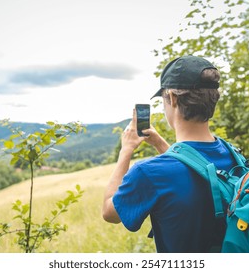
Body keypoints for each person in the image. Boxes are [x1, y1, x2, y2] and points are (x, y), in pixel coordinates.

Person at [102, 55, 238, 253]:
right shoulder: (233, 154)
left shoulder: (149, 173)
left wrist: (126, 150)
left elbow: (109, 212)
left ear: (172, 98)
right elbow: (194, 168)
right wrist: (159, 142)